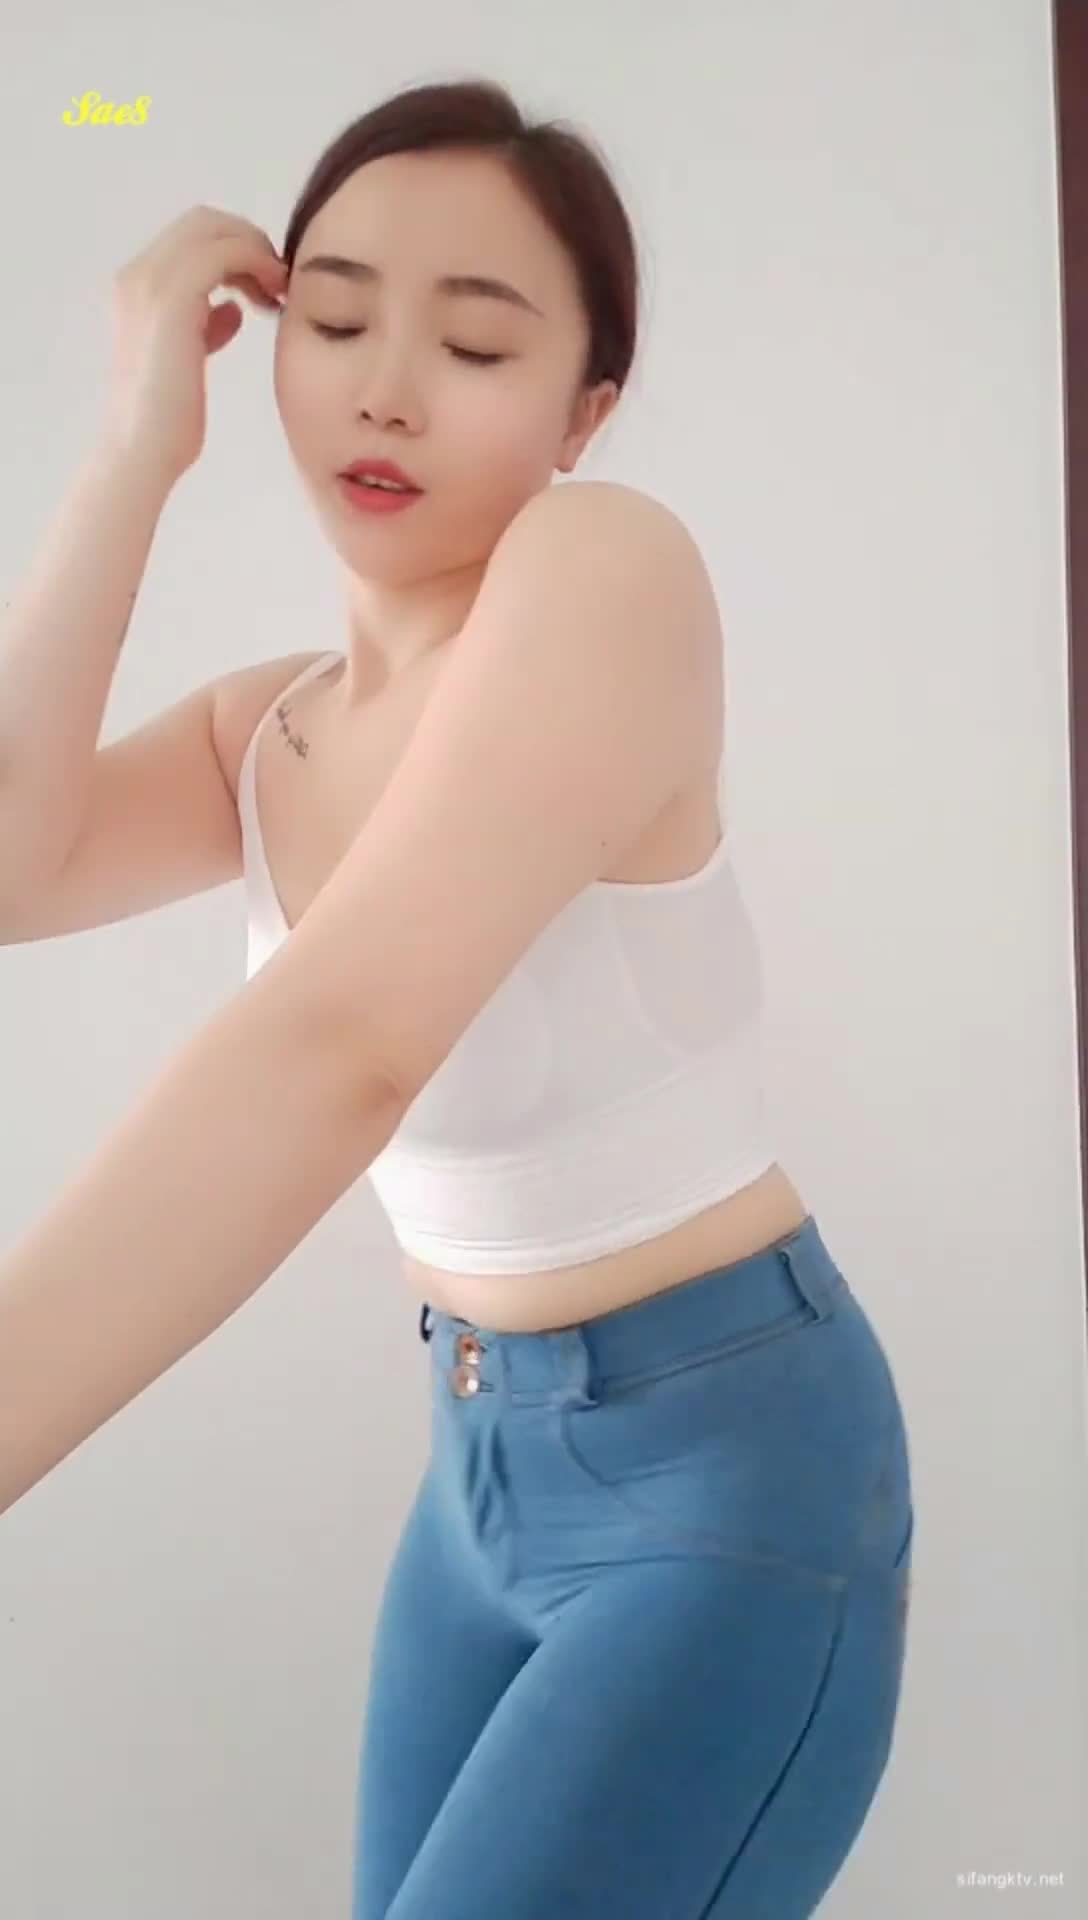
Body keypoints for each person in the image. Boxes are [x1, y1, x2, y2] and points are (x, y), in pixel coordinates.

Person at [0, 77, 913, 1920]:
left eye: (476, 344)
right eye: (333, 321)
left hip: (723, 1480)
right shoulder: (265, 731)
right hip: (472, 1477)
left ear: (587, 409)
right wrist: (132, 450)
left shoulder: (604, 569)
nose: (385, 391)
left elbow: (342, 1043)